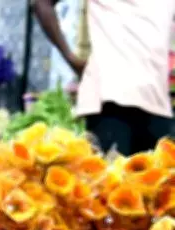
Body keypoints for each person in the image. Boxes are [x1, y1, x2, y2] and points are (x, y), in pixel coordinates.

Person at [34, 0, 175, 155]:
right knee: (109, 176)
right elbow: (42, 3)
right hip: (111, 102)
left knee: (158, 177)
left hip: (159, 105)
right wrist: (71, 59)